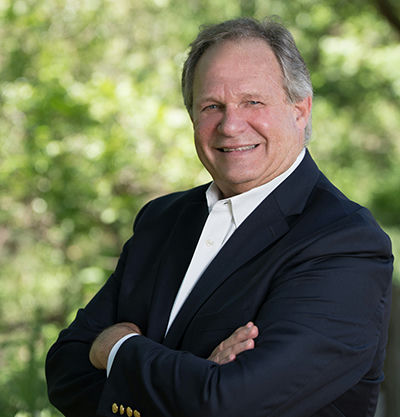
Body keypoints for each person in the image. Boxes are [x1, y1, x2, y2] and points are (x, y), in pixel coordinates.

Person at [46, 17, 393, 417]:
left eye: (253, 102)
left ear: (300, 110)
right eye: (212, 106)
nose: (230, 125)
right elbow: (64, 371)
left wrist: (116, 348)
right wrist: (197, 378)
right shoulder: (162, 221)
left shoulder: (344, 243)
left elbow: (233, 404)